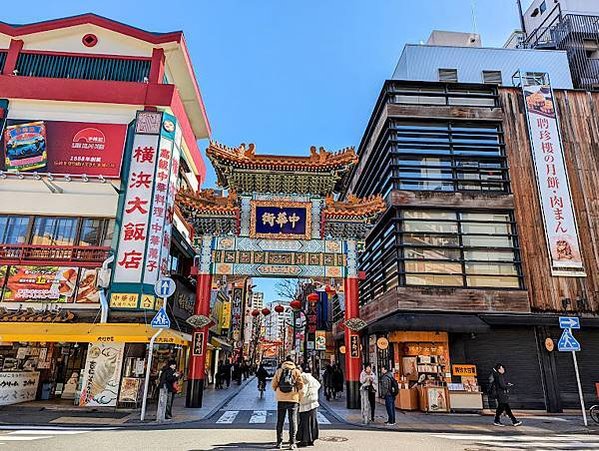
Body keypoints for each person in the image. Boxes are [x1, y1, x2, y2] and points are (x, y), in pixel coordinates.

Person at [272, 356, 304, 450]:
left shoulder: (279, 370)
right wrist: (296, 390)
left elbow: (274, 384)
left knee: (280, 421)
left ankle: (279, 442)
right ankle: (292, 443)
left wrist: (278, 391)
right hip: (293, 398)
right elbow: (301, 384)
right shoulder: (296, 371)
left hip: (281, 399)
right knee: (292, 421)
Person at [297, 364, 321, 447]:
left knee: (305, 422)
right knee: (313, 421)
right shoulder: (310, 377)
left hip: (306, 402)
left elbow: (303, 391)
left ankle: (305, 440)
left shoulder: (302, 378)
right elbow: (318, 385)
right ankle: (312, 439)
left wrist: (298, 398)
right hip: (314, 401)